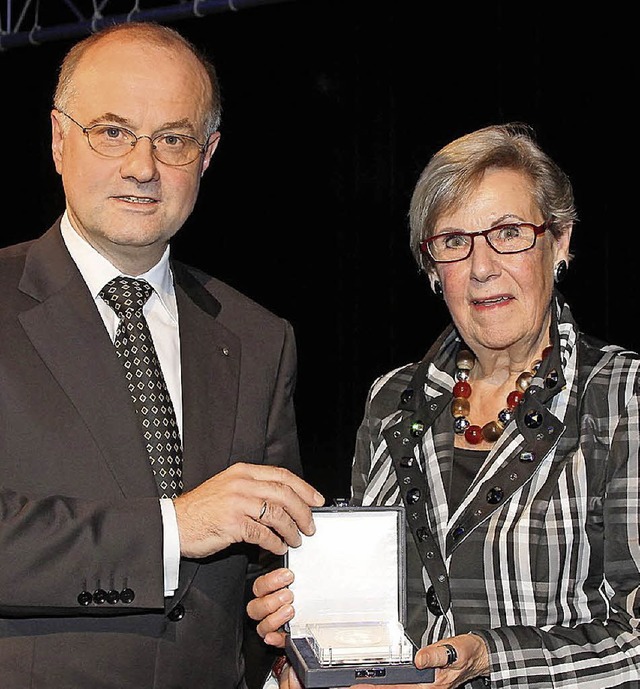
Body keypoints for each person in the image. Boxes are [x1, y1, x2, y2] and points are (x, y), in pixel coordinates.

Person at [247, 123, 640, 689]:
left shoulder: (621, 397)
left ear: (560, 242)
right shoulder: (392, 402)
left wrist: (493, 661)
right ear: (433, 269)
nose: (481, 267)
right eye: (455, 241)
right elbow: (375, 623)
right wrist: (308, 641)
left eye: (508, 232)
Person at [0, 20, 325, 689]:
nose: (143, 166)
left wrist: (287, 630)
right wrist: (173, 527)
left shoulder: (261, 338)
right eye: (112, 131)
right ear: (59, 139)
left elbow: (269, 558)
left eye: (172, 139)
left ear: (206, 156)